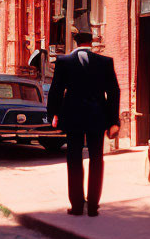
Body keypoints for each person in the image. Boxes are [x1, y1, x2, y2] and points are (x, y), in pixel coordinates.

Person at [47, 27, 121, 216]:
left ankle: (77, 206)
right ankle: (94, 207)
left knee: (74, 159)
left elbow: (56, 90)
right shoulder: (105, 62)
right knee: (97, 159)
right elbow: (114, 92)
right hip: (98, 116)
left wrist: (53, 114)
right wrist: (114, 121)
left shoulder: (64, 62)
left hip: (73, 116)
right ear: (92, 43)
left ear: (77, 43)